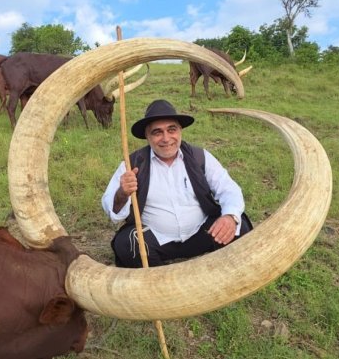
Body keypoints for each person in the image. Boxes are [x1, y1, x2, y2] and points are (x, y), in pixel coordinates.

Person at [102, 99, 252, 268]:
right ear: (147, 136)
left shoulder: (199, 156)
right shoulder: (132, 164)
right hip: (157, 241)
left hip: (202, 232)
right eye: (157, 132)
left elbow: (228, 189)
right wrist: (122, 193)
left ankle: (228, 271)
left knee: (239, 224)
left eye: (171, 130)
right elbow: (111, 209)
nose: (166, 138)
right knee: (127, 243)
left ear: (180, 130)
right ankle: (159, 279)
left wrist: (229, 217)